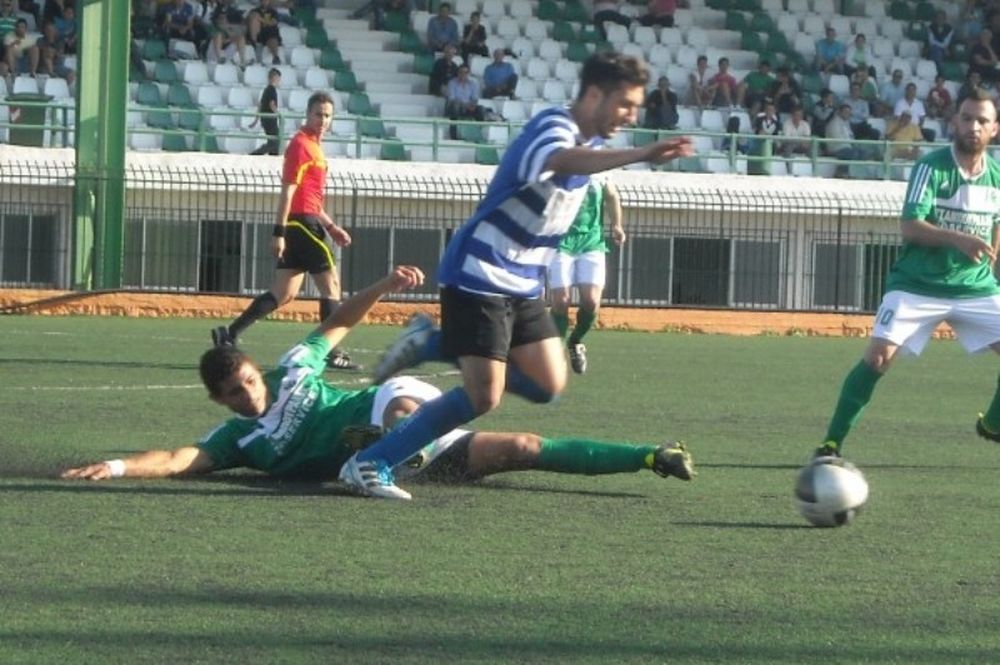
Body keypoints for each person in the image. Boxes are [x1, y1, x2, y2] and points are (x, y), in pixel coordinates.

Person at [339, 52, 694, 499]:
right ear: (594, 94)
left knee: (549, 384)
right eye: (625, 104)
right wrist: (642, 153)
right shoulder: (552, 127)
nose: (631, 115)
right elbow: (562, 160)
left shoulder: (593, 145)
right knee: (483, 397)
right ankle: (371, 463)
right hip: (480, 273)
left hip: (523, 283)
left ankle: (433, 342)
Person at [62, 266, 696, 496]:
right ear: (221, 400)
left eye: (250, 381)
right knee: (517, 450)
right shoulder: (237, 442)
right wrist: (118, 466)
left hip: (394, 415)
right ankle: (376, 465)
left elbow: (336, 321)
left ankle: (648, 456)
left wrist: (386, 286)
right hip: (404, 458)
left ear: (258, 371)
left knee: (412, 409)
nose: (249, 394)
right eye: (235, 393)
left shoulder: (293, 369)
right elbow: (178, 458)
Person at [814, 89, 1000, 459]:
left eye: (982, 121)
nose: (973, 127)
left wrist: (992, 268)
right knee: (879, 357)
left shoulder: (996, 176)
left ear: (994, 129)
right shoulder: (931, 167)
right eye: (966, 118)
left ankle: (993, 424)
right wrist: (958, 239)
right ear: (954, 122)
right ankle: (830, 445)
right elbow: (910, 226)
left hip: (975, 287)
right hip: (917, 285)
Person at [211, 92, 359, 372]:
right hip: (302, 225)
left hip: (307, 221)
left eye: (327, 115)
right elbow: (288, 192)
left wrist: (331, 226)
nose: (322, 120)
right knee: (332, 287)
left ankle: (228, 334)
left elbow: (312, 198)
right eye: (318, 114)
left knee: (284, 292)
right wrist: (278, 232)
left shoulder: (314, 147)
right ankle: (331, 350)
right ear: (307, 114)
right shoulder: (301, 146)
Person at [547, 179, 624, 375]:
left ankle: (576, 341)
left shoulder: (601, 174)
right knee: (561, 301)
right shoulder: (561, 168)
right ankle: (556, 351)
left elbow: (612, 196)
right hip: (561, 242)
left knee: (591, 301)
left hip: (591, 243)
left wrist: (617, 225)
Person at [250, 68, 281, 156]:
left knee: (274, 141)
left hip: (265, 119)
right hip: (270, 119)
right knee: (274, 141)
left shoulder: (266, 89)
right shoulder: (271, 89)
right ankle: (255, 154)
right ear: (275, 77)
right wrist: (278, 114)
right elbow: (272, 104)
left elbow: (260, 105)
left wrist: (256, 120)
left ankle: (272, 156)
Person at [247, 0, 282, 65]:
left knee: (273, 38)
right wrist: (257, 18)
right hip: (258, 33)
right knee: (254, 19)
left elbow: (273, 23)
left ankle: (276, 57)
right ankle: (255, 45)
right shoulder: (254, 11)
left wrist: (260, 19)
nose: (265, 2)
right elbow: (249, 21)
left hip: (270, 33)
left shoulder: (273, 12)